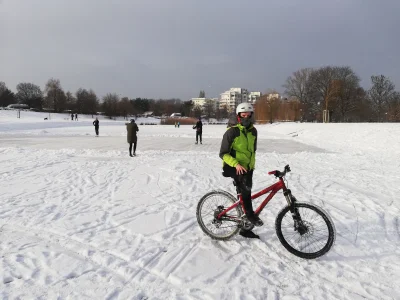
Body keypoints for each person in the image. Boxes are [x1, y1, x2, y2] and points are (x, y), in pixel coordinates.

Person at [219, 103, 262, 239]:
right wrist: (236, 164)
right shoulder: (231, 131)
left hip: (247, 168)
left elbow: (252, 152)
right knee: (246, 189)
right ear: (238, 116)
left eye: (249, 115)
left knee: (245, 193)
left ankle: (245, 227)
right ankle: (250, 215)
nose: (246, 117)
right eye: (243, 115)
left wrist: (250, 167)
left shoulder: (253, 131)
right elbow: (223, 154)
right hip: (232, 166)